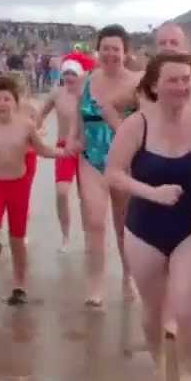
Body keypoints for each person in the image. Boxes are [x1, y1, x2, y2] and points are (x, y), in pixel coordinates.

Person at [107, 53, 191, 381]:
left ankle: (186, 376)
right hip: (144, 229)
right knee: (153, 312)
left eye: (187, 79)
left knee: (185, 307)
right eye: (174, 80)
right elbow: (115, 173)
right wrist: (152, 192)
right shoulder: (136, 125)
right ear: (154, 85)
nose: (182, 86)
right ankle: (159, 364)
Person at [0, 76, 62, 304]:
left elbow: (41, 150)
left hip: (18, 185)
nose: (1, 103)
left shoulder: (26, 125)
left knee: (17, 239)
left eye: (6, 99)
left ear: (15, 101)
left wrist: (66, 152)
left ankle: (19, 286)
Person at [68, 25, 141, 306]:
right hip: (91, 159)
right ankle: (96, 283)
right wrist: (73, 138)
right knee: (95, 223)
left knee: (124, 226)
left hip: (125, 162)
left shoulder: (138, 82)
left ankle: (128, 276)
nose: (110, 54)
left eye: (116, 49)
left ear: (126, 52)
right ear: (98, 50)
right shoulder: (88, 79)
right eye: (106, 48)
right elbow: (79, 113)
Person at [34, 59, 85, 249]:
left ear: (80, 75)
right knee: (62, 193)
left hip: (86, 150)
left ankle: (90, 234)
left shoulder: (87, 95)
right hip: (64, 149)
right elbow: (39, 115)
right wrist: (34, 133)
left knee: (86, 196)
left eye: (73, 73)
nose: (70, 77)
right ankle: (66, 235)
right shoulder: (57, 94)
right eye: (67, 73)